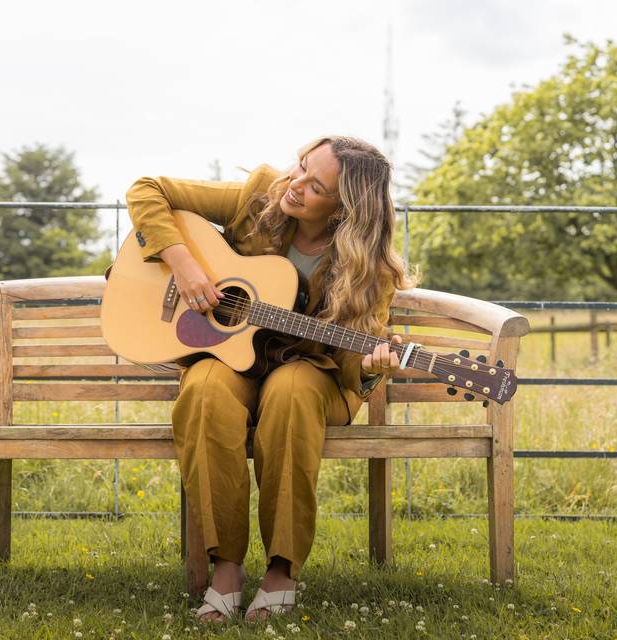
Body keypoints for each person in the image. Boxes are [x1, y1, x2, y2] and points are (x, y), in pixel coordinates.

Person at [125, 135, 417, 623]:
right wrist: (186, 265)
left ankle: (282, 570)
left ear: (346, 209)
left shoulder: (370, 268)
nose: (296, 185)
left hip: (312, 371)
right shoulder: (261, 192)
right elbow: (147, 189)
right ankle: (226, 568)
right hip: (236, 359)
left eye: (316, 186)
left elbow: (349, 355)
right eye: (301, 167)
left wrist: (368, 366)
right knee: (204, 392)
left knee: (291, 392)